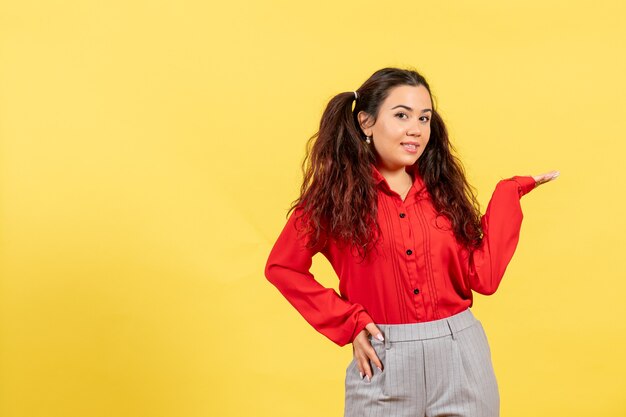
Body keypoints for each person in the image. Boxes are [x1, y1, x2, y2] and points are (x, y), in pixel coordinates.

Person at [264, 67, 558, 417]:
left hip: (460, 355)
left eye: (424, 118)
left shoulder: (442, 192)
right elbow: (282, 266)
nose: (415, 129)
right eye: (401, 115)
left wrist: (508, 194)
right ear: (365, 122)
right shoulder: (332, 199)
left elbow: (483, 278)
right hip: (383, 359)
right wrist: (348, 321)